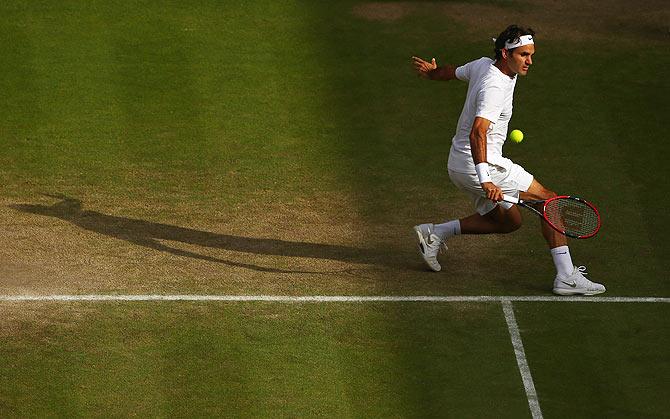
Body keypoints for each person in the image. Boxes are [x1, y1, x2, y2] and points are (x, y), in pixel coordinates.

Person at [411, 24, 605, 295]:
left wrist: (433, 74)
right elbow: (478, 131)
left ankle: (436, 233)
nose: (530, 61)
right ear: (505, 53)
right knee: (549, 200)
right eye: (523, 55)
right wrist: (486, 179)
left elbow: (452, 72)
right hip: (480, 164)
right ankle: (566, 276)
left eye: (531, 54)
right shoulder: (495, 86)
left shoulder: (482, 65)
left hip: (459, 163)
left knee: (508, 222)